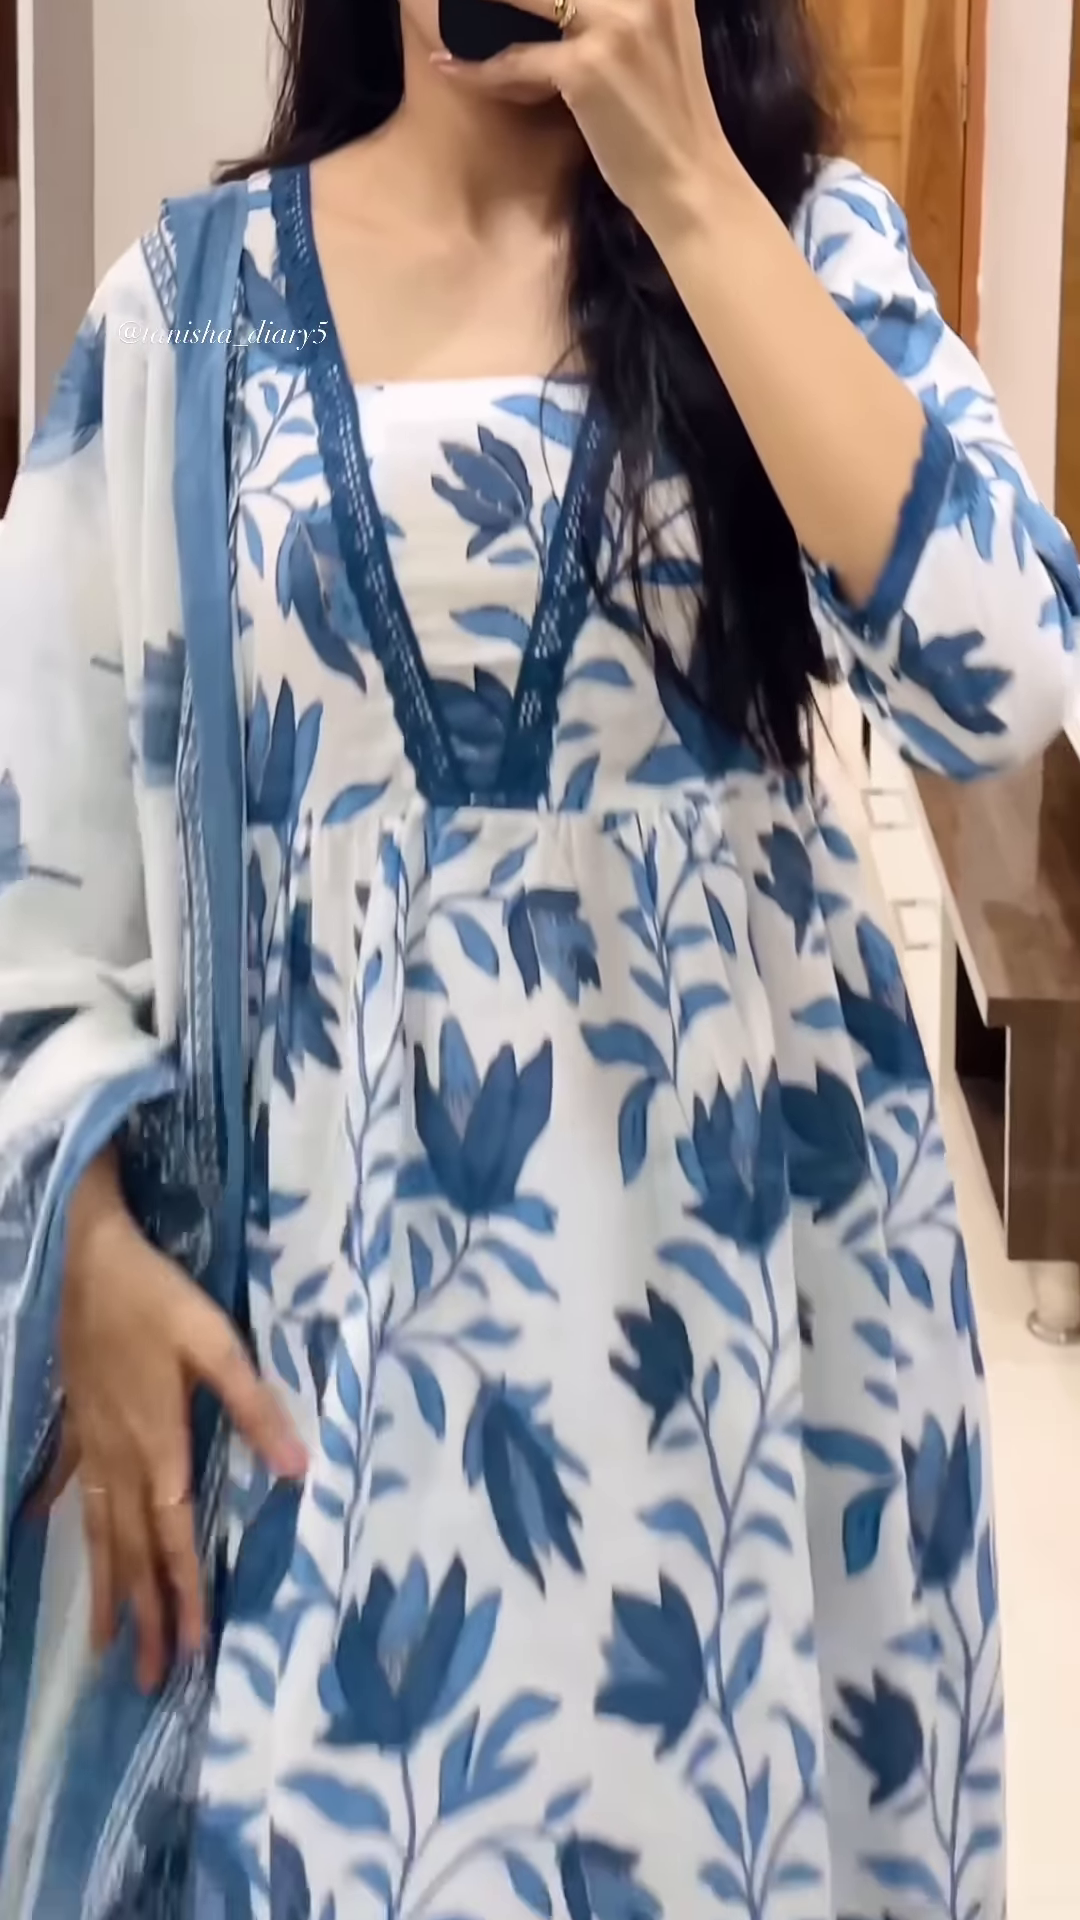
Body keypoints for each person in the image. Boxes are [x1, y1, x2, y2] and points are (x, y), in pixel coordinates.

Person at [0, 0, 1075, 1911]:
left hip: (757, 1356)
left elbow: (999, 676)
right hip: (323, 1365)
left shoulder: (801, 243)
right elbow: (34, 848)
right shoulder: (193, 314)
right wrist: (84, 1246)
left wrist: (691, 184)